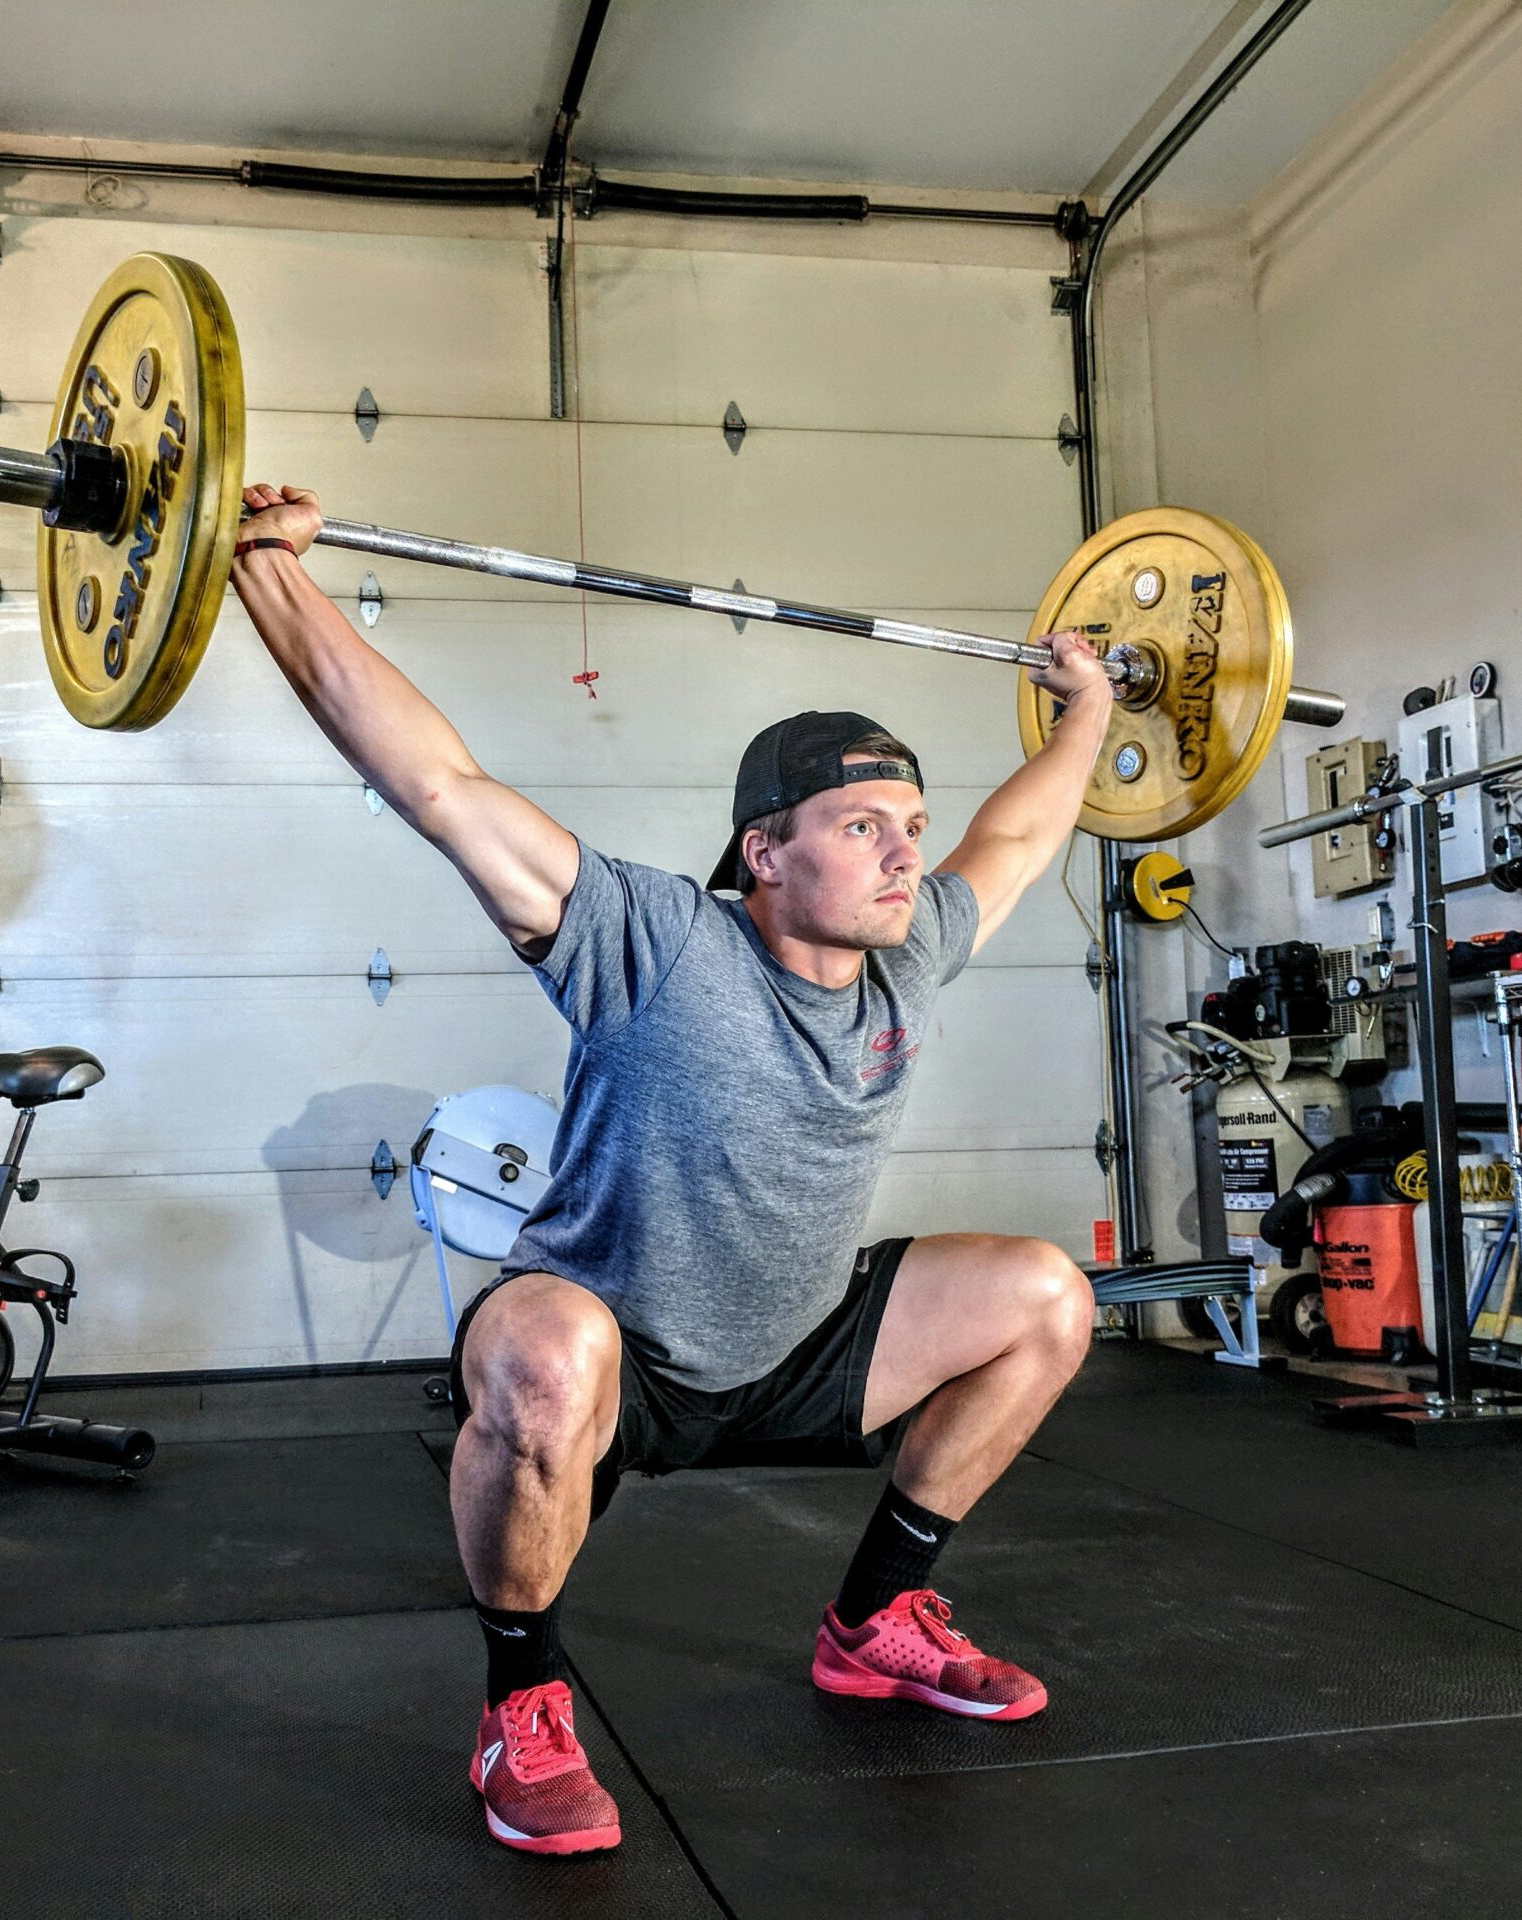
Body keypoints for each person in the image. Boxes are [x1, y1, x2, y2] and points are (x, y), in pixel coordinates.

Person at [230, 483, 1107, 1856]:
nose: (906, 849)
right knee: (542, 1356)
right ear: (766, 852)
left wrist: (1091, 714)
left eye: (911, 822)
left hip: (801, 1340)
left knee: (1050, 1297)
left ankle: (876, 1619)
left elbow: (1025, 833)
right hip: (615, 1344)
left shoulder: (912, 950)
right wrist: (267, 571)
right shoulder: (654, 939)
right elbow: (437, 785)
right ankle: (522, 1702)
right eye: (866, 823)